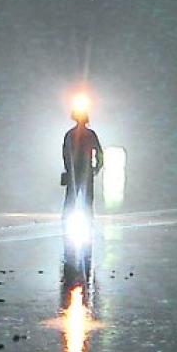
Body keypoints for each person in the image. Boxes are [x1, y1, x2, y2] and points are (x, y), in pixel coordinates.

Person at [61, 93, 104, 242]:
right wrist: (97, 167)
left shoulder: (70, 134)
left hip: (75, 171)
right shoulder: (91, 134)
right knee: (86, 200)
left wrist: (68, 169)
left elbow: (65, 154)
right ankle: (88, 222)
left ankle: (66, 223)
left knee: (71, 199)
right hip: (86, 172)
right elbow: (99, 153)